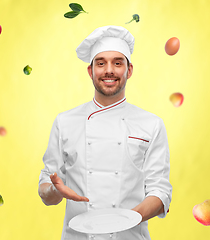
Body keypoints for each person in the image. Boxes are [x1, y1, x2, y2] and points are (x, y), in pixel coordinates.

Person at [38, 25, 172, 240]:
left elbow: (160, 193)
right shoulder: (65, 122)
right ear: (91, 71)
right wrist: (55, 191)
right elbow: (47, 192)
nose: (109, 70)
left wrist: (126, 219)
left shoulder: (151, 124)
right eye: (101, 63)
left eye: (117, 63)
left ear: (129, 70)